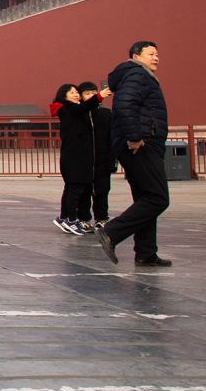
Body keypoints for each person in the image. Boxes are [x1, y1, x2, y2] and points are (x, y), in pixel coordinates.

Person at [97, 41, 172, 267]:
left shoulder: (135, 75)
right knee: (158, 198)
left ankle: (146, 252)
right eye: (151, 54)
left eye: (157, 54)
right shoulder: (137, 74)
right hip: (141, 144)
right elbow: (125, 104)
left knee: (145, 197)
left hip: (140, 143)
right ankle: (111, 232)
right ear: (136, 56)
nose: (156, 57)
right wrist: (134, 136)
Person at [49, 84, 107, 235]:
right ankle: (71, 220)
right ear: (64, 95)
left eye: (76, 92)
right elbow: (82, 108)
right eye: (72, 92)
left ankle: (64, 217)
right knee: (74, 189)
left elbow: (84, 108)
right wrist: (99, 96)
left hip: (77, 156)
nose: (76, 95)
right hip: (75, 158)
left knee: (70, 188)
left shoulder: (75, 109)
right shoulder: (67, 109)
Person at [78, 81, 116, 227]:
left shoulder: (106, 114)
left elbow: (111, 139)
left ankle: (102, 218)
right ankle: (83, 218)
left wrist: (112, 161)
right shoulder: (79, 114)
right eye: (87, 94)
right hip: (84, 161)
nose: (91, 96)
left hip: (102, 159)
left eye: (94, 93)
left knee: (102, 190)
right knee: (84, 192)